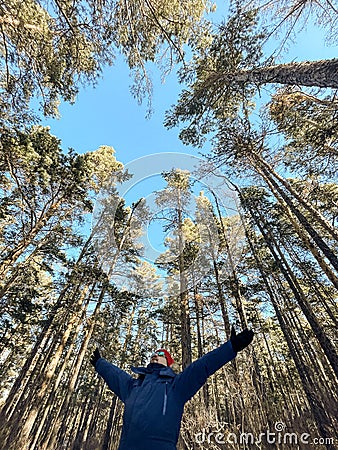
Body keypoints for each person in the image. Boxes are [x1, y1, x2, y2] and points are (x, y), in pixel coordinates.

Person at [90, 326, 254, 450]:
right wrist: (100, 363)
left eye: (161, 355)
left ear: (167, 362)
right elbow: (115, 375)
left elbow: (202, 366)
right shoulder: (133, 386)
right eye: (154, 354)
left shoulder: (176, 386)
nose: (155, 355)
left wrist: (231, 347)